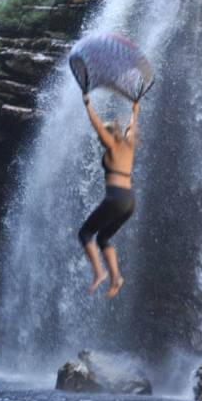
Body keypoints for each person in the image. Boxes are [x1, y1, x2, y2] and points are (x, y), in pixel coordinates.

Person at [78, 94, 139, 298]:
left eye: (103, 136)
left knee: (85, 234)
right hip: (129, 201)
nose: (100, 139)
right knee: (103, 238)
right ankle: (116, 278)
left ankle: (100, 272)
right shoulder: (129, 145)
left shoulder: (112, 145)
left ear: (109, 135)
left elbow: (96, 124)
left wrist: (88, 105)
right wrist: (135, 109)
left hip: (115, 198)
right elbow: (132, 126)